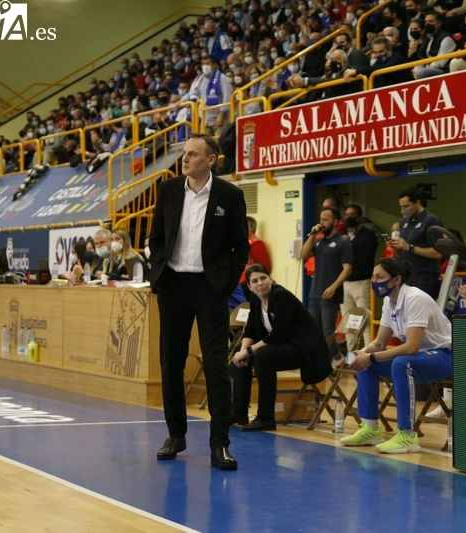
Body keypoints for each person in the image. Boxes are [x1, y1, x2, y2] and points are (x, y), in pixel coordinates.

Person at [147, 133, 249, 471]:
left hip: (210, 289)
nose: (185, 159)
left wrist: (225, 284)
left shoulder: (230, 196)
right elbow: (156, 238)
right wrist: (158, 271)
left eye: (192, 154)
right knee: (170, 364)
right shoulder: (169, 190)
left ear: (211, 160)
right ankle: (176, 435)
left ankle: (220, 442)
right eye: (184, 154)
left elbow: (241, 247)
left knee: (216, 365)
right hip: (174, 284)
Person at [340, 258, 452, 453]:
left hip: (446, 356)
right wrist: (363, 353)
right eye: (373, 276)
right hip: (421, 357)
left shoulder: (414, 298)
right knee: (367, 364)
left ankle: (407, 435)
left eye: (380, 277)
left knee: (401, 363)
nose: (375, 281)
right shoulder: (388, 302)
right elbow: (379, 343)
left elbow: (411, 347)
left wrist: (373, 357)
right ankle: (370, 428)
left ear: (396, 280)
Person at [231, 264, 332, 430]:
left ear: (271, 279)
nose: (260, 283)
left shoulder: (281, 296)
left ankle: (266, 418)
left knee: (263, 357)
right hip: (283, 346)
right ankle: (239, 413)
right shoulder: (255, 299)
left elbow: (279, 334)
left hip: (305, 349)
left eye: (263, 278)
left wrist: (249, 351)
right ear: (249, 286)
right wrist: (243, 351)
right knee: (238, 355)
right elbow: (250, 330)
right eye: (255, 281)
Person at [301, 206, 353, 347]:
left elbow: (347, 269)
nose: (321, 222)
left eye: (325, 219)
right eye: (320, 219)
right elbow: (304, 255)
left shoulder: (342, 243)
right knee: (312, 330)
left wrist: (333, 287)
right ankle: (331, 359)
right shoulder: (318, 241)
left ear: (335, 221)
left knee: (327, 332)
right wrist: (312, 235)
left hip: (330, 294)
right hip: (315, 293)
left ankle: (329, 363)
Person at [388, 186, 444, 299]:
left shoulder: (431, 220)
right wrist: (395, 246)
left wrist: (410, 247)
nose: (403, 210)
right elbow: (403, 250)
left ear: (417, 203)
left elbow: (438, 253)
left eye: (406, 206)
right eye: (401, 207)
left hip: (424, 276)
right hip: (406, 275)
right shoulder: (404, 222)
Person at [342, 204, 378, 345]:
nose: (349, 217)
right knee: (349, 322)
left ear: (360, 217)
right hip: (344, 282)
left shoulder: (368, 235)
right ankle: (352, 355)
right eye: (347, 214)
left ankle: (368, 354)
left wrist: (350, 245)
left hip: (361, 282)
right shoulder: (341, 235)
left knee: (365, 320)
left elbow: (367, 258)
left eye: (353, 214)